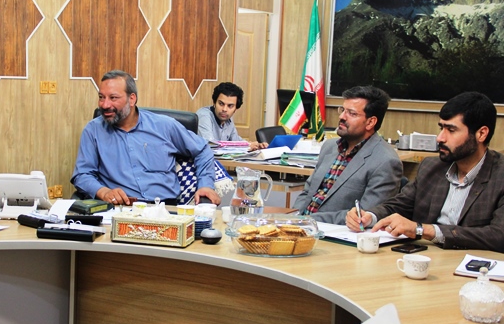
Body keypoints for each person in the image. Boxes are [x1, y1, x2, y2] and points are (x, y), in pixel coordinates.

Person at [346, 92, 504, 252]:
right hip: (424, 257)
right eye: (441, 128)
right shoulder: (432, 167)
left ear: (481, 134)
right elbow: (399, 205)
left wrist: (423, 230)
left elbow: (499, 235)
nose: (440, 138)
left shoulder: (500, 174)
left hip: (475, 263)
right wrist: (369, 217)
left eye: (451, 130)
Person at [71, 70, 220, 206]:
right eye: (101, 97)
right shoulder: (93, 130)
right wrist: (103, 192)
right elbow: (82, 175)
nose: (105, 105)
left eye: (113, 98)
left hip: (166, 209)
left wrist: (205, 185)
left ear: (132, 99)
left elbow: (202, 149)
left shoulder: (164, 126)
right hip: (121, 209)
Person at [293, 86, 402, 224]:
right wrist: (294, 218)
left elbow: (364, 215)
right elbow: (307, 193)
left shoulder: (386, 161)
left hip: (334, 232)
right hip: (301, 226)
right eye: (342, 110)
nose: (342, 117)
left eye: (352, 113)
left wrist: (308, 220)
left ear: (370, 122)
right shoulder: (329, 146)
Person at [196, 82, 267, 150]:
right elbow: (210, 144)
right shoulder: (204, 116)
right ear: (214, 103)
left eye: (230, 106)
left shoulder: (228, 119)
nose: (224, 109)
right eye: (221, 104)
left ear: (235, 109)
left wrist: (255, 146)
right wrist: (246, 145)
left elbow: (236, 140)